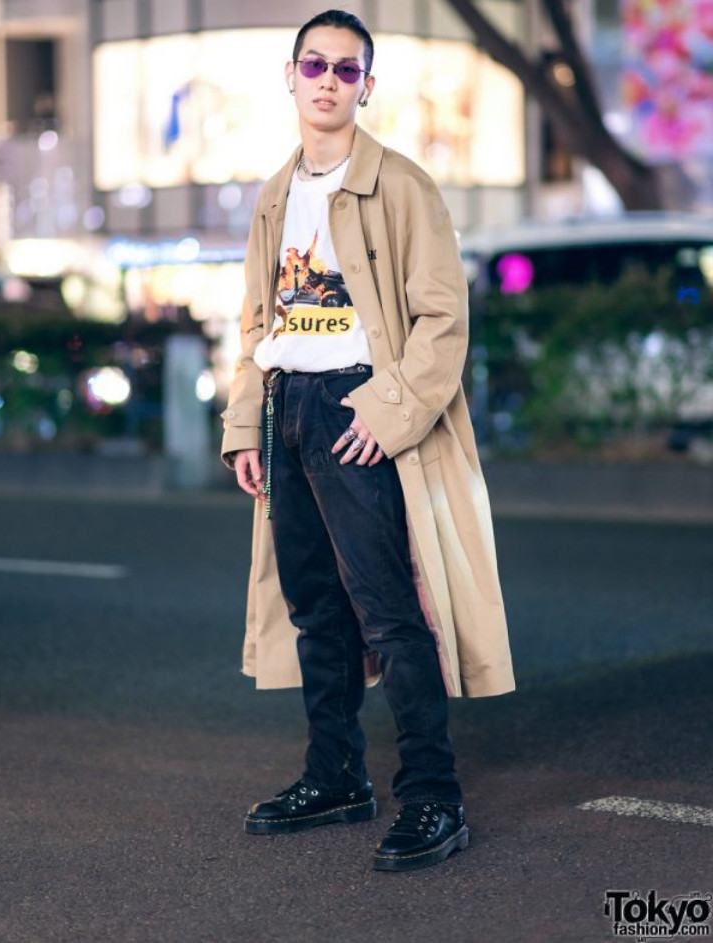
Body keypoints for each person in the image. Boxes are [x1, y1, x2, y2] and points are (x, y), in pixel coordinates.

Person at [221, 9, 515, 872]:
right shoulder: (276, 194)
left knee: (389, 610)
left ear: (367, 87)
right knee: (317, 608)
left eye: (345, 69)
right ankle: (336, 775)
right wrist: (246, 424)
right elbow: (257, 324)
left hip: (358, 409)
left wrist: (384, 413)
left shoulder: (402, 186)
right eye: (314, 64)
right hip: (287, 409)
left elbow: (443, 319)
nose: (327, 80)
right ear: (289, 76)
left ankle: (433, 795)